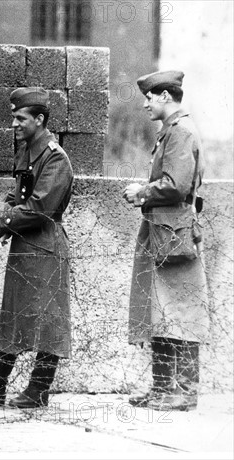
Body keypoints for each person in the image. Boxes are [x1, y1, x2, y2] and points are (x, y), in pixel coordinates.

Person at [0, 87, 73, 408]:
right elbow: (17, 196)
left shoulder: (54, 158)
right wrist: (6, 218)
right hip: (25, 247)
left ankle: (38, 390)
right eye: (13, 118)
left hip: (46, 249)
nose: (15, 124)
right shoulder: (28, 150)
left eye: (21, 118)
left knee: (48, 322)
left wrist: (8, 222)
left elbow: (38, 208)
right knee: (12, 318)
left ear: (39, 119)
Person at [124, 70, 209, 411]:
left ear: (165, 97)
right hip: (163, 230)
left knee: (182, 312)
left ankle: (185, 393)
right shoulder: (170, 132)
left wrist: (142, 191)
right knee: (158, 310)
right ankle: (161, 389)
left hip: (175, 234)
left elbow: (176, 184)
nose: (145, 103)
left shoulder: (182, 133)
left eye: (149, 97)